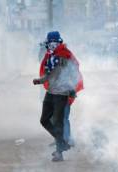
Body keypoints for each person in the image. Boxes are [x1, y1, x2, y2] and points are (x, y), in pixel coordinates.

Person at [33, 31, 80, 161]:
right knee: (44, 120)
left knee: (59, 122)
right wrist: (41, 80)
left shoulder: (64, 55)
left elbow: (57, 73)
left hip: (62, 93)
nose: (50, 45)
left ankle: (59, 152)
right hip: (51, 92)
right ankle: (62, 141)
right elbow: (49, 73)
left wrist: (41, 80)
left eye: (51, 42)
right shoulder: (51, 55)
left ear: (57, 42)